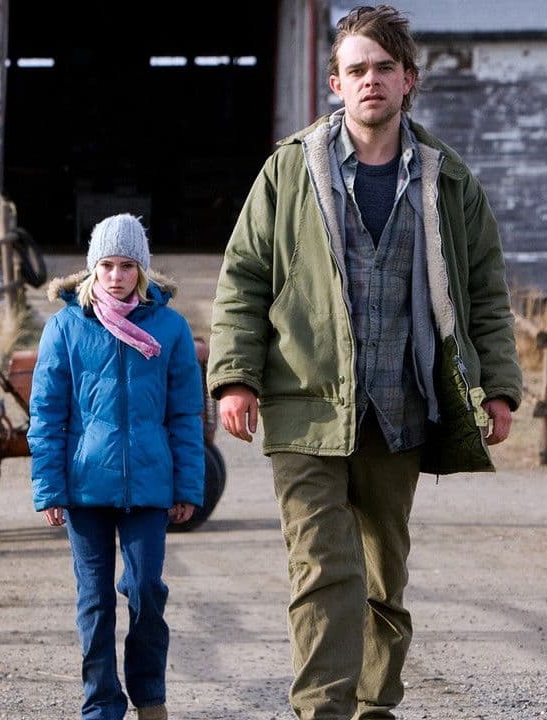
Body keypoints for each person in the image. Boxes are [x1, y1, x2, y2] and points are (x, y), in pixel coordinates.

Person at [207, 5, 523, 718]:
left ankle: (375, 709)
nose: (370, 80)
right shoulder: (289, 171)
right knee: (323, 568)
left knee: (384, 580)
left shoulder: (449, 181)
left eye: (384, 68)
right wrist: (235, 377)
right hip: (305, 405)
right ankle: (322, 712)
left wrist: (498, 388)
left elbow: (485, 293)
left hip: (401, 409)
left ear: (409, 79)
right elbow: (243, 279)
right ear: (335, 84)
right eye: (357, 70)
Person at [28, 213, 205, 720]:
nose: (116, 276)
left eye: (127, 266)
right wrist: (49, 488)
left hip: (149, 485)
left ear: (141, 270)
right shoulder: (65, 328)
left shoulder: (170, 328)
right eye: (106, 265)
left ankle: (150, 698)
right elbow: (46, 414)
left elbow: (186, 414)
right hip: (84, 487)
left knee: (147, 591)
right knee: (95, 601)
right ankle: (101, 705)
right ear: (92, 268)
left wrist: (187, 486)